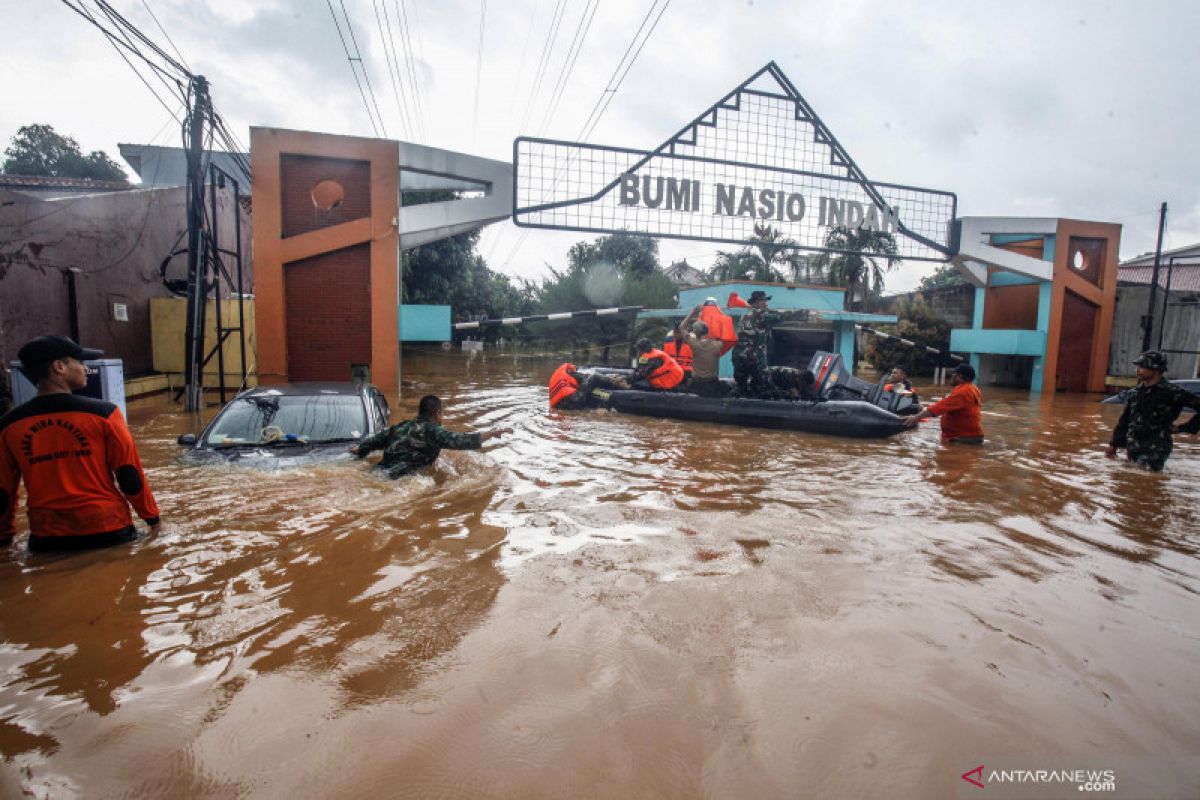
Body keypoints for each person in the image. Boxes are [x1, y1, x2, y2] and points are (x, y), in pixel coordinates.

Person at [0, 335, 160, 550]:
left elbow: (3, 491)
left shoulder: (9, 425)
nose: (85, 368)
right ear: (59, 367)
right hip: (107, 528)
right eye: (79, 362)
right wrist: (153, 520)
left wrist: (4, 540)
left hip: (47, 535)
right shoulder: (105, 414)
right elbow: (129, 474)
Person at [351, 394, 511, 479]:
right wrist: (491, 433)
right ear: (437, 414)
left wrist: (359, 448)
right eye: (443, 413)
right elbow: (460, 441)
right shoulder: (432, 431)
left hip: (376, 473)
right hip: (401, 480)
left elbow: (375, 441)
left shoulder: (401, 426)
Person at [1105, 350, 1200, 471]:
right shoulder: (1137, 392)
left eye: (1142, 367)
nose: (1137, 370)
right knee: (1131, 479)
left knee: (1145, 477)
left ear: (1155, 369)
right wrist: (1113, 445)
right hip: (1133, 446)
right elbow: (1125, 419)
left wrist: (1184, 428)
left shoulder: (1172, 392)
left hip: (1156, 447)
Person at [902, 362, 983, 444]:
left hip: (962, 439)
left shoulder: (963, 392)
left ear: (960, 376)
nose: (951, 376)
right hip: (968, 437)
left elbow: (936, 408)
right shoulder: (973, 389)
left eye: (954, 374)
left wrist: (915, 418)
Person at [731, 290, 781, 397]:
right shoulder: (761, 313)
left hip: (739, 356)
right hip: (754, 357)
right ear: (757, 302)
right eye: (763, 301)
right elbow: (779, 317)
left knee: (741, 389)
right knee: (764, 388)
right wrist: (805, 314)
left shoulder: (744, 315)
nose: (766, 303)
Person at [677, 311, 727, 398]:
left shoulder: (694, 344)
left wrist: (692, 312)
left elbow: (682, 327)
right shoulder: (718, 344)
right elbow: (724, 334)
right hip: (711, 383)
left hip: (697, 383)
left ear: (695, 332)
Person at [548, 363, 627, 410]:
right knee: (593, 377)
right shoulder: (573, 374)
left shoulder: (560, 376)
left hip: (560, 405)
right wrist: (609, 379)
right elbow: (588, 379)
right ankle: (618, 385)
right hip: (574, 399)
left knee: (588, 385)